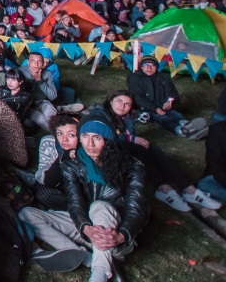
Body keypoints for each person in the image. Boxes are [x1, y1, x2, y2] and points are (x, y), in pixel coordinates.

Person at [18, 115, 148, 280]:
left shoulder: (132, 166)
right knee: (27, 215)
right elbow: (75, 202)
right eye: (85, 136)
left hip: (115, 234)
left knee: (98, 206)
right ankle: (87, 256)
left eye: (97, 138)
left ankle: (99, 274)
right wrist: (87, 229)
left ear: (107, 140)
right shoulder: (72, 163)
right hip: (88, 228)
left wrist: (120, 236)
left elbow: (136, 209)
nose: (90, 144)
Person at [93, 90, 220, 212]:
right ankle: (165, 189)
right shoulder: (100, 114)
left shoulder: (127, 116)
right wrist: (131, 138)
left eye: (127, 104)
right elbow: (104, 134)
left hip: (125, 147)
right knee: (142, 151)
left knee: (153, 149)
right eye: (119, 101)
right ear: (110, 101)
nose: (122, 106)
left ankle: (189, 189)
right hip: (108, 153)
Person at [126, 56, 205, 138]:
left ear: (156, 67)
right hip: (145, 108)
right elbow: (139, 98)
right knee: (162, 118)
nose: (149, 68)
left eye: (153, 65)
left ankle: (186, 124)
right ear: (141, 66)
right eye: (146, 64)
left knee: (174, 113)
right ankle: (178, 130)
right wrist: (156, 109)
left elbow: (172, 94)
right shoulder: (134, 78)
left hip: (162, 105)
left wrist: (170, 103)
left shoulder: (163, 77)